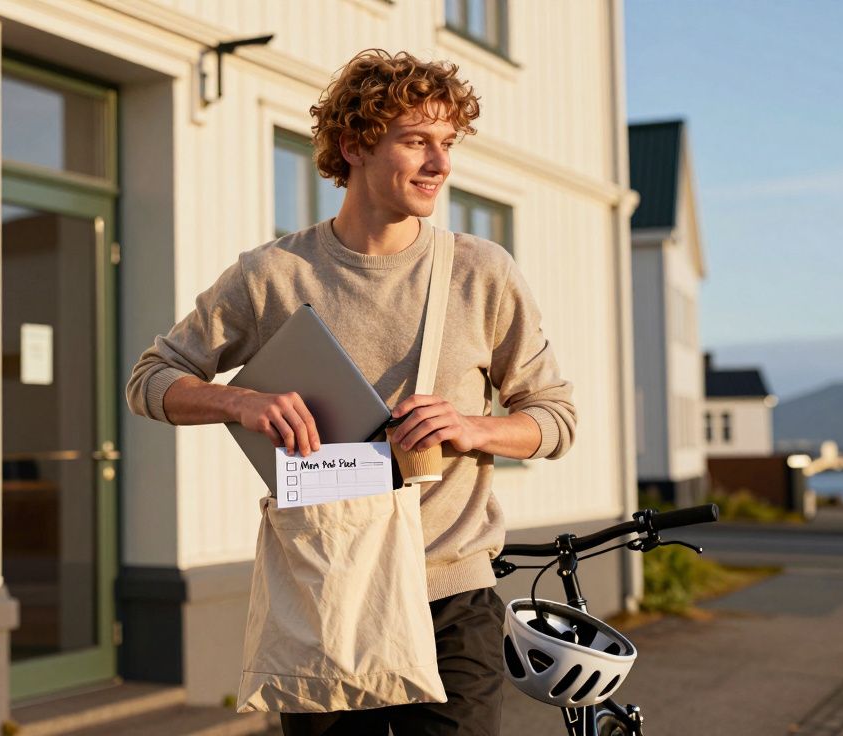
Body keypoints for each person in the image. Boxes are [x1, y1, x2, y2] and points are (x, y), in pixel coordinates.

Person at [126, 49, 576, 736]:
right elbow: (150, 379)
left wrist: (474, 428)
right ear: (354, 145)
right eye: (416, 141)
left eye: (447, 143)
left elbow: (555, 417)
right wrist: (239, 402)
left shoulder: (482, 273)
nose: (439, 163)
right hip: (326, 593)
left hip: (453, 600)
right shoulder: (273, 275)